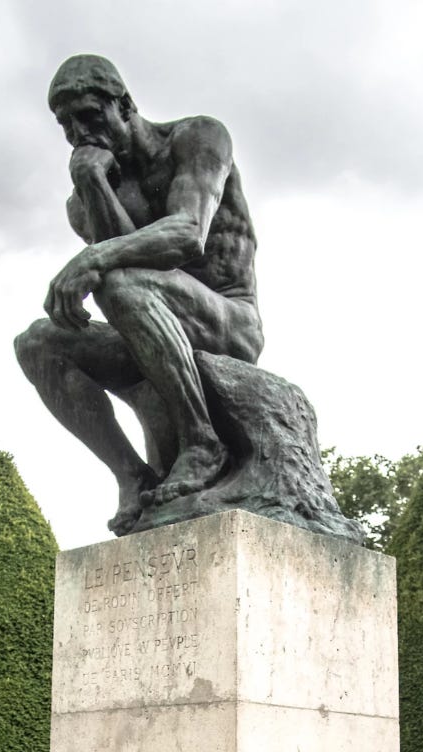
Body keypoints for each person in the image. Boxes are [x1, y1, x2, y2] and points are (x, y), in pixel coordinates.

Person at [15, 54, 263, 535]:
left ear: (124, 104)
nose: (78, 132)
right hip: (147, 321)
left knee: (115, 276)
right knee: (37, 344)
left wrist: (93, 259)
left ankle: (202, 442)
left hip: (226, 320)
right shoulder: (83, 198)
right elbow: (120, 254)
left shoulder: (197, 139)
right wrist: (91, 183)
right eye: (65, 125)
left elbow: (188, 234)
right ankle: (131, 475)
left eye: (88, 114)